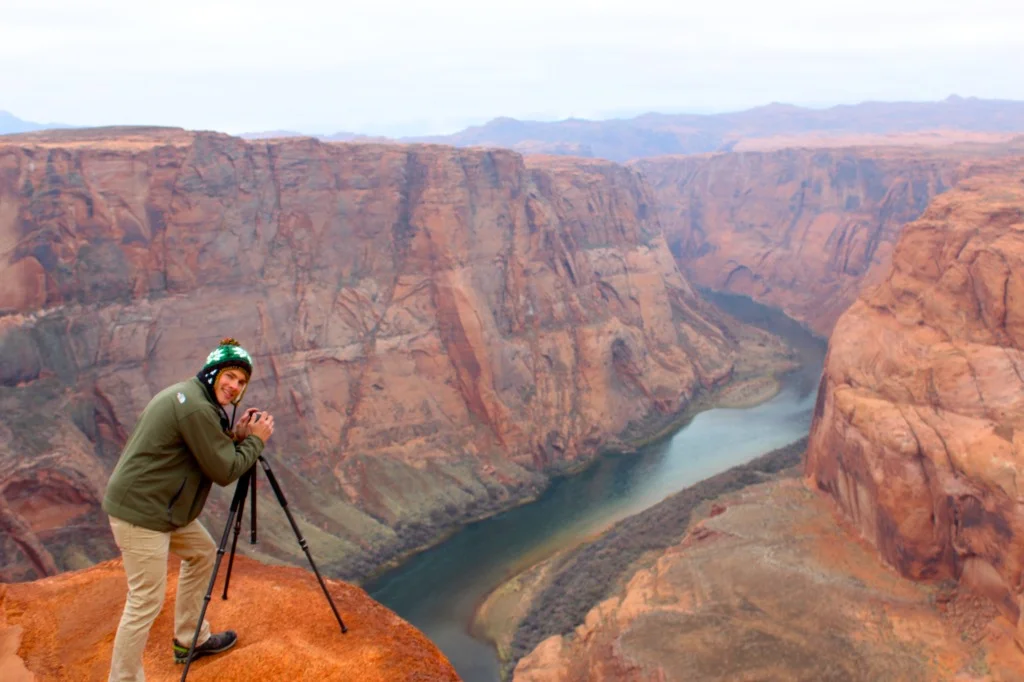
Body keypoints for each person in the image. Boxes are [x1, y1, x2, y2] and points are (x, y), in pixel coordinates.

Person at [102, 337, 275, 681]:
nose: (235, 386)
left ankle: (189, 640)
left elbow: (205, 448)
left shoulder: (196, 399)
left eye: (241, 382)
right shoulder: (196, 407)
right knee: (145, 602)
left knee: (201, 553)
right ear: (212, 373)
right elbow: (224, 471)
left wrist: (235, 439)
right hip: (142, 514)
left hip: (161, 508)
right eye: (229, 376)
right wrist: (255, 440)